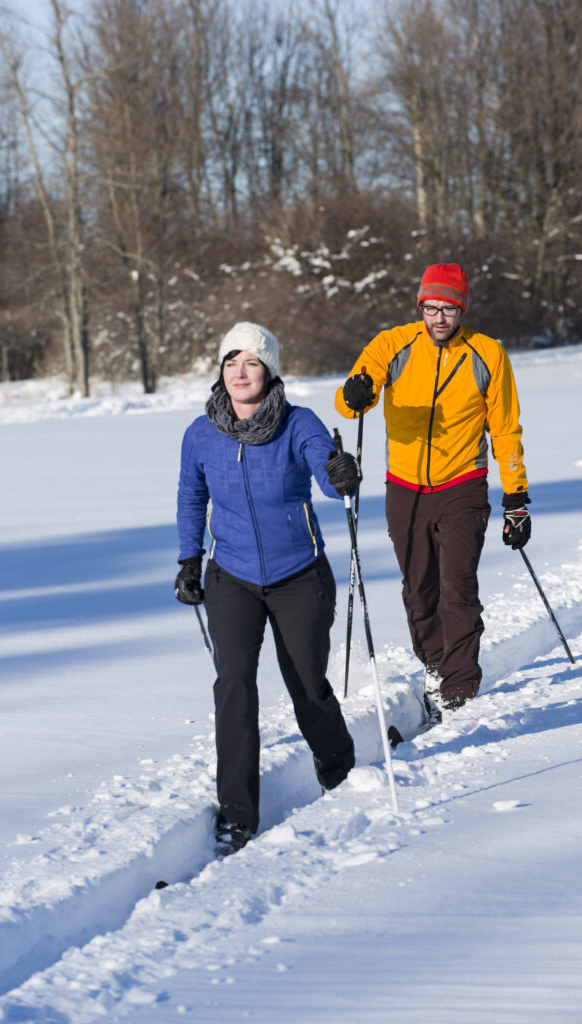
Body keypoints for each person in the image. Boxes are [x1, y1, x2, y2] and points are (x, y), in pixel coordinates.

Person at [175, 321, 360, 855]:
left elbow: (326, 472)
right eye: (231, 362)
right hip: (230, 573)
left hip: (298, 572)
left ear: (269, 370)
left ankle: (337, 765)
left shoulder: (298, 422)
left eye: (251, 363)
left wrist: (341, 473)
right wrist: (190, 559)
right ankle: (237, 814)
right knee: (233, 686)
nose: (240, 372)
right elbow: (191, 498)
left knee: (306, 683)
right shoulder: (200, 433)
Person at [335, 263, 530, 716]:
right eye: (431, 308)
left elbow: (505, 430)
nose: (440, 318)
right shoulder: (392, 344)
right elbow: (349, 405)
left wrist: (515, 497)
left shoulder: (487, 354)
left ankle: (460, 686)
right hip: (404, 487)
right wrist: (357, 392)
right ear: (420, 306)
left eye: (449, 308)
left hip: (463, 482)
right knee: (418, 587)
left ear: (463, 309)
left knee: (456, 586)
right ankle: (436, 663)